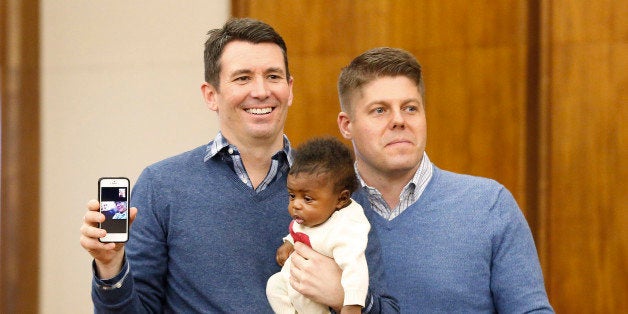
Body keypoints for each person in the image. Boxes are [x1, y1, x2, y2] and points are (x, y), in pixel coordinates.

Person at [79, 18, 397, 313]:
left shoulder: (339, 186)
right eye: (242, 78)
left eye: (273, 76)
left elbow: (387, 306)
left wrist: (345, 297)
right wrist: (110, 268)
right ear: (211, 95)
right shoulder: (162, 186)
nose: (261, 91)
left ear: (290, 90)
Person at [331, 47, 554, 312]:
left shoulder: (489, 205)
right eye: (380, 110)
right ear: (347, 125)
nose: (399, 120)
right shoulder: (319, 210)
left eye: (410, 108)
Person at [266, 137, 370, 314]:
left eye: (307, 198)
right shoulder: (311, 215)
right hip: (294, 276)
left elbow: (356, 269)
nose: (296, 205)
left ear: (341, 199)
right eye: (292, 196)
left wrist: (352, 305)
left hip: (317, 291)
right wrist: (289, 243)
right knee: (274, 285)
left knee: (306, 302)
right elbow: (299, 230)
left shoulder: (347, 228)